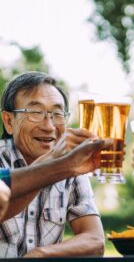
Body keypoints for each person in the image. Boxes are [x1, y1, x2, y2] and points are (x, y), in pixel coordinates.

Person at [0, 71, 105, 258]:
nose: (49, 126)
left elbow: (95, 241)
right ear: (9, 121)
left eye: (57, 114)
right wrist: (57, 165)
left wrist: (42, 254)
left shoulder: (71, 166)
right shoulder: (67, 165)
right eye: (35, 112)